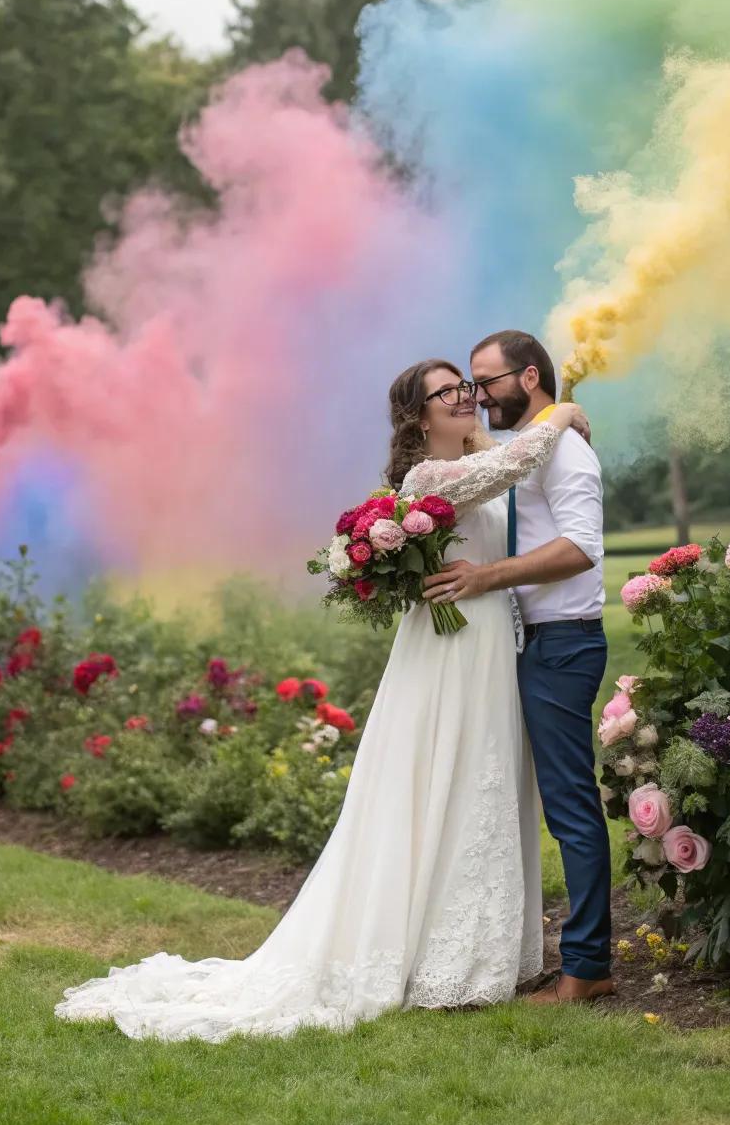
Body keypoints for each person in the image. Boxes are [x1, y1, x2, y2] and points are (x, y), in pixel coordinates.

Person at [55, 359, 586, 1042]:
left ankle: (484, 955)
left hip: (488, 639)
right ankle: (436, 960)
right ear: (420, 417)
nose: (463, 398)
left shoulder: (480, 453)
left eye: (465, 387)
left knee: (486, 786)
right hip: (449, 651)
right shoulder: (426, 477)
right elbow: (514, 465)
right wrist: (561, 412)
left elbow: (509, 462)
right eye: (446, 392)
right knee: (444, 780)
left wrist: (533, 438)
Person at [424, 330, 612, 1004]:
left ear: (529, 378)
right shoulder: (531, 446)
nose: (478, 396)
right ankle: (562, 956)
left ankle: (587, 967)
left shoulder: (565, 455)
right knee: (551, 804)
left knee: (570, 807)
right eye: (468, 385)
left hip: (564, 643)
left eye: (487, 381)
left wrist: (488, 578)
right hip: (537, 642)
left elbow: (580, 549)